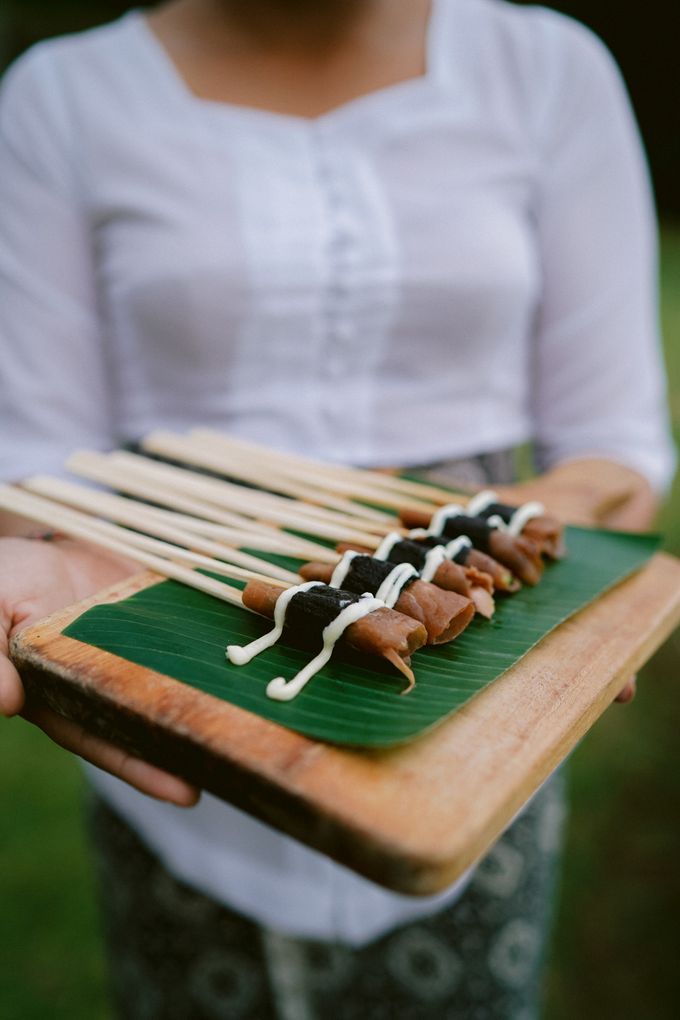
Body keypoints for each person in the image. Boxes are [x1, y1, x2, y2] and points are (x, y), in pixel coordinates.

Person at [0, 0, 674, 1016]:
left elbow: (615, 448)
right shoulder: (59, 95)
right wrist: (51, 571)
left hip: (471, 729)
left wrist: (496, 540)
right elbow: (32, 461)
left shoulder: (547, 67)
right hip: (181, 641)